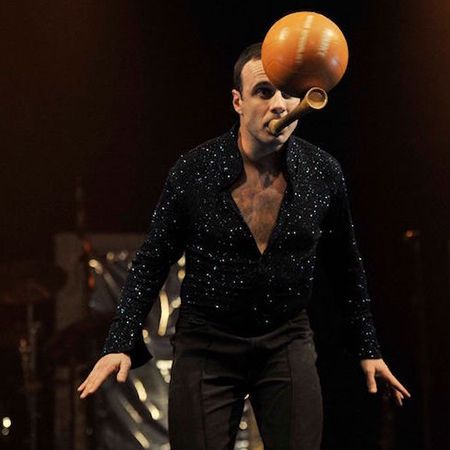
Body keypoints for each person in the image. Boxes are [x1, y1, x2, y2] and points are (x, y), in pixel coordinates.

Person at [78, 42, 411, 449]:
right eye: (264, 91)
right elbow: (152, 260)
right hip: (207, 343)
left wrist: (368, 348)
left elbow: (346, 266)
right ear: (238, 101)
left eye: (290, 93)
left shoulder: (323, 172)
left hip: (285, 338)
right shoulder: (194, 170)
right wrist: (120, 342)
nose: (279, 104)